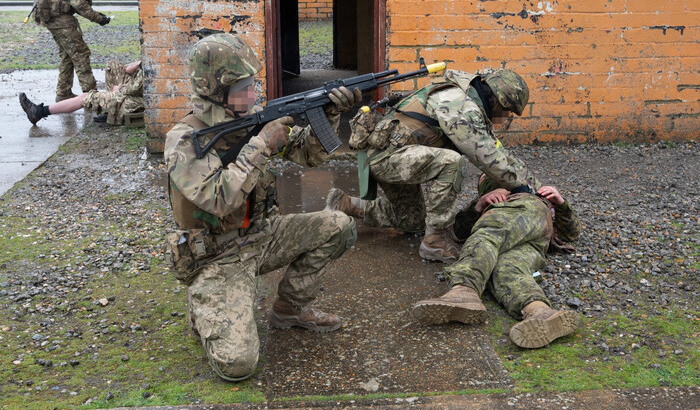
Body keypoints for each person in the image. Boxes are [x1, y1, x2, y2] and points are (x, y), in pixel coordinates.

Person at [164, 33, 361, 381]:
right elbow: (219, 199)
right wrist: (262, 145)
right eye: (243, 86)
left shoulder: (253, 117)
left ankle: (289, 309)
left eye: (252, 83)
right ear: (215, 89)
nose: (253, 93)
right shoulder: (183, 140)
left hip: (261, 236)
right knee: (237, 366)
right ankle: (204, 303)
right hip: (216, 256)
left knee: (338, 225)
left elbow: (309, 154)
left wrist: (329, 113)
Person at [325, 68, 540, 264]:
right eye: (507, 111)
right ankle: (435, 241)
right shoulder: (460, 105)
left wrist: (531, 184)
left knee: (412, 222)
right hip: (388, 158)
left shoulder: (468, 100)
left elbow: (496, 150)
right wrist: (518, 187)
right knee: (452, 163)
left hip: (395, 155)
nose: (506, 117)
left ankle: (345, 204)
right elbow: (484, 155)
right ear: (499, 100)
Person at [412, 174, 582, 349]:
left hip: (525, 210)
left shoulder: (524, 194)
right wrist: (479, 205)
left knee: (487, 235)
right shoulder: (486, 200)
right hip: (535, 240)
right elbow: (458, 232)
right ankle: (539, 310)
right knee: (506, 269)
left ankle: (464, 290)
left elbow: (571, 234)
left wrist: (562, 204)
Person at [32, 0, 113, 101]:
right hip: (60, 19)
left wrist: (96, 15)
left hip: (55, 18)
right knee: (80, 54)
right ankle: (92, 98)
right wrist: (98, 18)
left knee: (68, 56)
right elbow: (78, 3)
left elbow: (74, 2)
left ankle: (63, 93)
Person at [19, 59, 143, 126]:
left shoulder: (156, 61)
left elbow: (137, 88)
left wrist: (120, 89)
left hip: (137, 99)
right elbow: (128, 69)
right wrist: (137, 64)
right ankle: (109, 109)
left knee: (85, 97)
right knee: (113, 65)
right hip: (134, 90)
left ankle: (38, 112)